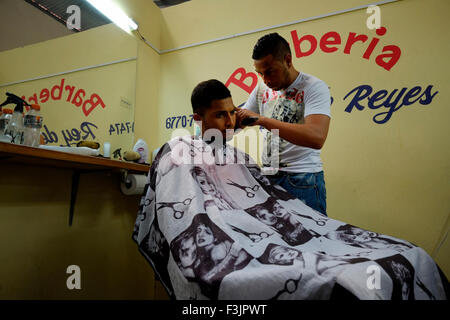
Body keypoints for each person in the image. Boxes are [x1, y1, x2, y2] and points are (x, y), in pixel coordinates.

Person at [236, 32, 331, 216]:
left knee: (309, 242)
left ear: (288, 60)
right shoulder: (262, 88)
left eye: (270, 71)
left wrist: (262, 120)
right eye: (260, 74)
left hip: (303, 180)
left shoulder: (314, 87)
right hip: (269, 178)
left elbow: (316, 137)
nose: (265, 79)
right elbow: (240, 121)